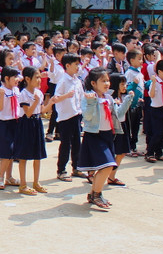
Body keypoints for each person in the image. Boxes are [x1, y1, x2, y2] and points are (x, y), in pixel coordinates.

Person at [79, 68, 126, 210]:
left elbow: (117, 114)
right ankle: (97, 194)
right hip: (94, 135)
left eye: (107, 80)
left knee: (106, 166)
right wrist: (92, 102)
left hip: (107, 135)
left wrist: (128, 101)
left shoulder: (108, 98)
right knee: (107, 165)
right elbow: (87, 117)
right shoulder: (88, 97)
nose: (107, 83)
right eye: (103, 80)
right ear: (93, 83)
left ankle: (93, 194)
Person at [15, 66, 49, 195]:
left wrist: (51, 103)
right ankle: (23, 184)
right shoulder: (24, 93)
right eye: (37, 77)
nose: (39, 80)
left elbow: (41, 110)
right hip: (26, 123)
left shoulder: (38, 93)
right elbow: (28, 113)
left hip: (37, 122)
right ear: (28, 79)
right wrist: (36, 101)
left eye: (40, 77)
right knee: (24, 155)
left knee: (38, 155)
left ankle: (36, 182)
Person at [52, 53, 85, 180]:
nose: (78, 67)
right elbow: (56, 98)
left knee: (77, 142)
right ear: (67, 65)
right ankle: (61, 170)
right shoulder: (63, 80)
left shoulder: (77, 80)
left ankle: (76, 167)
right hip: (66, 117)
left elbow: (81, 96)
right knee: (66, 144)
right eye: (76, 64)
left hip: (76, 114)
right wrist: (66, 96)